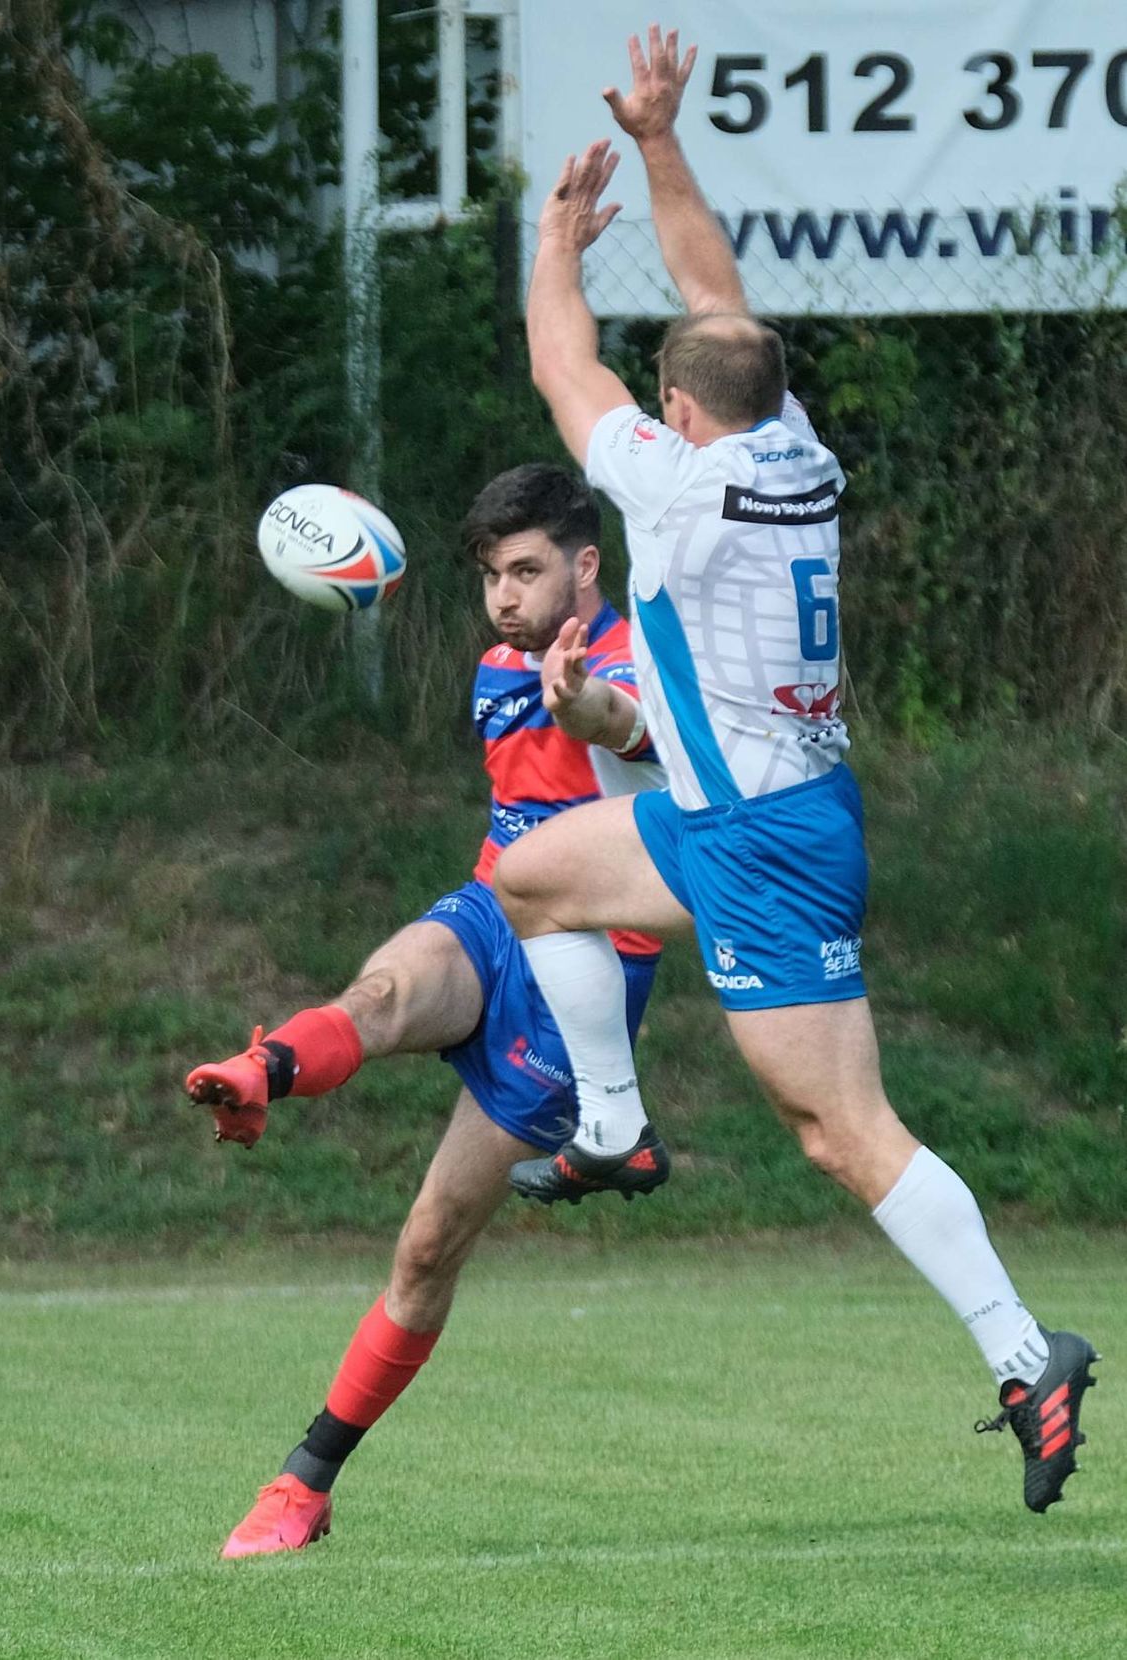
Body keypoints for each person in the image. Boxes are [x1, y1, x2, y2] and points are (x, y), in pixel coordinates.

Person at [490, 25, 1098, 1514]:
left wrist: (556, 238)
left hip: (769, 844)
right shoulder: (792, 443)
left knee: (841, 1132)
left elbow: (562, 361)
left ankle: (1030, 1359)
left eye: (666, 402)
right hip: (731, 811)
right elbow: (718, 296)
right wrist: (659, 143)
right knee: (534, 879)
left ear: (683, 418)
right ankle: (616, 1133)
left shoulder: (679, 488)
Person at [185, 463, 669, 1558]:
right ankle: (268, 1071)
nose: (505, 594)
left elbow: (635, 728)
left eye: (528, 569)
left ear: (586, 567)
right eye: (493, 573)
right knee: (386, 989)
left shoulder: (633, 659)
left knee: (425, 1247)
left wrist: (595, 709)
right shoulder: (499, 666)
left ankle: (304, 1485)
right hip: (497, 916)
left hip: (581, 980)